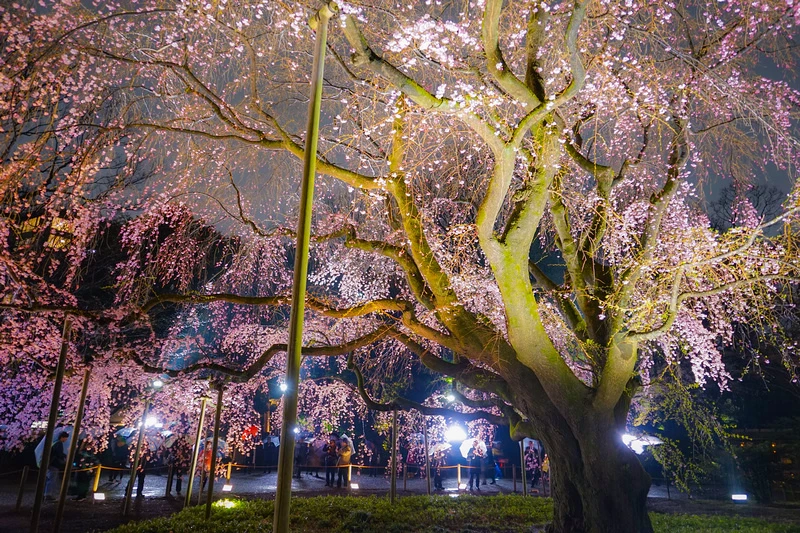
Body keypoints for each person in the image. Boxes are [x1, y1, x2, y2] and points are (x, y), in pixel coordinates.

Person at [45, 432, 69, 499]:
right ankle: (48, 495)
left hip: (50, 463)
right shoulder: (59, 443)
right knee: (52, 479)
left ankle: (45, 494)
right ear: (62, 437)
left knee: (49, 479)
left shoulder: (54, 443)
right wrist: (65, 457)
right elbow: (59, 454)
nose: (66, 440)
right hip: (53, 464)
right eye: (66, 438)